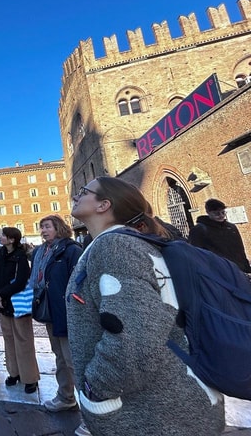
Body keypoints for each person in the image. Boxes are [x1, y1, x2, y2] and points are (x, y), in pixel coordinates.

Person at [66, 177, 225, 436]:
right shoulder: (129, 242)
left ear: (104, 205)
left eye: (84, 192)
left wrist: (96, 390)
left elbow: (135, 336)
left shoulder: (115, 246)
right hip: (172, 403)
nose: (76, 196)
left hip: (154, 411)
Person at [31, 216, 83, 418]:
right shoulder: (39, 252)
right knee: (60, 357)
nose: (43, 231)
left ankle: (92, 413)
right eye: (41, 227)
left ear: (58, 228)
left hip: (67, 312)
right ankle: (66, 397)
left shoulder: (71, 250)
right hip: (50, 310)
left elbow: (80, 283)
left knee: (73, 361)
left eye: (47, 227)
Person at [0, 227, 39, 393]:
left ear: (12, 239)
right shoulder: (0, 253)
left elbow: (20, 281)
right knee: (9, 339)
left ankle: (30, 378)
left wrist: (1, 295)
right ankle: (14, 373)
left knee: (23, 340)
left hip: (17, 303)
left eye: (4, 235)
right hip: (3, 303)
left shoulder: (20, 256)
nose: (1, 237)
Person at [189, 198, 251, 273]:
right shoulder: (199, 230)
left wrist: (245, 266)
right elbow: (197, 253)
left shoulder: (231, 227)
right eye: (217, 213)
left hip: (239, 269)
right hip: (218, 271)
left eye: (223, 212)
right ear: (208, 212)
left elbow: (240, 249)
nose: (221, 215)